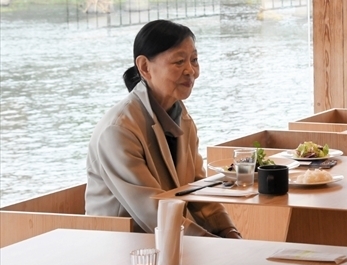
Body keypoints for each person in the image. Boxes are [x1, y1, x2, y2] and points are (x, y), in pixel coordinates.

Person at [86, 20, 241, 238]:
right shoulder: (118, 130)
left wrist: (229, 231)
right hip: (122, 248)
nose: (191, 71)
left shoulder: (182, 118)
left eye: (194, 60)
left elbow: (198, 189)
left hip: (171, 241)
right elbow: (153, 212)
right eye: (179, 62)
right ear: (145, 67)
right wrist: (214, 244)